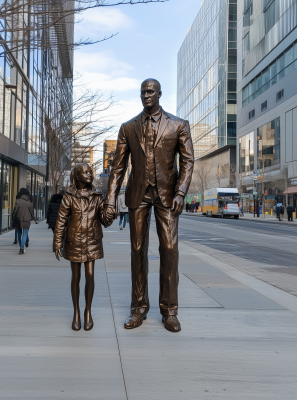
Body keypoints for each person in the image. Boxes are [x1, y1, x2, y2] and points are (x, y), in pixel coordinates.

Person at [102, 78, 194, 333]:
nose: (146, 95)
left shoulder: (178, 125)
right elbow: (118, 167)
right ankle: (139, 307)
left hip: (167, 195)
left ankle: (170, 310)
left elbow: (188, 162)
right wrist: (110, 200)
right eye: (143, 92)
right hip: (138, 194)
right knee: (137, 250)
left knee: (169, 249)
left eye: (151, 91)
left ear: (160, 94)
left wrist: (181, 193)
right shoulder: (128, 128)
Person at [53, 163, 109, 331]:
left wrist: (110, 211)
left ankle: (88, 312)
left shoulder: (97, 196)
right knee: (75, 277)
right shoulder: (69, 196)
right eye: (85, 172)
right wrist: (57, 242)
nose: (89, 174)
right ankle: (76, 312)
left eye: (90, 172)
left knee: (90, 276)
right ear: (77, 177)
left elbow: (105, 220)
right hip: (74, 241)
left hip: (92, 240)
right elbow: (61, 220)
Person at [12, 188, 35, 254]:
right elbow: (31, 211)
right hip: (27, 219)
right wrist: (32, 218)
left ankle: (21, 247)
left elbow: (15, 211)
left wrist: (13, 218)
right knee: (25, 234)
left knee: (19, 234)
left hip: (18, 219)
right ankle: (22, 248)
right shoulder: (30, 201)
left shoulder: (18, 201)